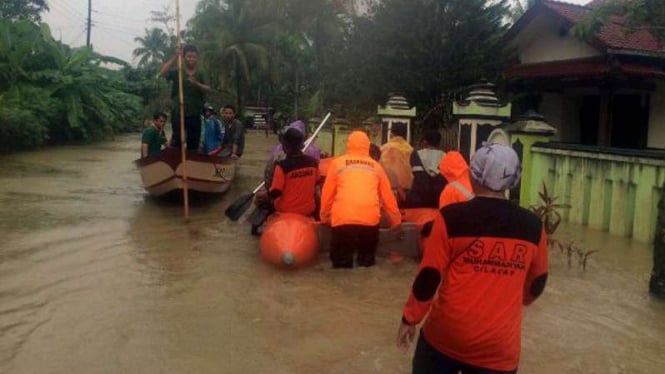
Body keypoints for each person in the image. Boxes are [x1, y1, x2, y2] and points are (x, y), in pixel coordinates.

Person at [396, 143, 549, 374]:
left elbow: (429, 276)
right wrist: (510, 298)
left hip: (445, 337)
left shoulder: (450, 217)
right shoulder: (533, 226)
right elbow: (537, 282)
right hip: (499, 347)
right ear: (513, 180)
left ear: (473, 175)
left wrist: (410, 318)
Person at [320, 131, 401, 268]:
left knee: (341, 266)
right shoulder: (376, 166)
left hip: (343, 219)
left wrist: (324, 217)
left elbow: (327, 195)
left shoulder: (337, 163)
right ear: (367, 146)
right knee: (366, 264)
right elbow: (388, 198)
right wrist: (396, 222)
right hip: (370, 221)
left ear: (348, 144)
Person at [159, 44, 210, 151]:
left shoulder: (201, 72)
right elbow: (163, 73)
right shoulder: (179, 71)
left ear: (197, 58)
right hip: (178, 111)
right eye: (189, 56)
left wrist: (196, 83)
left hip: (195, 112)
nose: (191, 59)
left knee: (193, 142)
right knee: (177, 141)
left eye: (194, 57)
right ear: (184, 57)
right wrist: (175, 56)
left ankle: (192, 164)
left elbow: (207, 88)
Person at [268, 128, 320, 216]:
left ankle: (258, 228)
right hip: (308, 209)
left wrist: (266, 194)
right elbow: (317, 182)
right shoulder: (313, 163)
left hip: (286, 209)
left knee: (261, 200)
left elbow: (275, 192)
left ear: (285, 147)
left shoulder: (282, 166)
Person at [403, 131, 447, 208]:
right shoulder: (445, 156)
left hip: (418, 199)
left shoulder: (416, 154)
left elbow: (418, 176)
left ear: (425, 142)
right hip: (438, 199)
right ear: (439, 143)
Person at [380, 123, 414, 205]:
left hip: (390, 189)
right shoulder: (411, 149)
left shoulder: (384, 148)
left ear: (391, 133)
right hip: (407, 191)